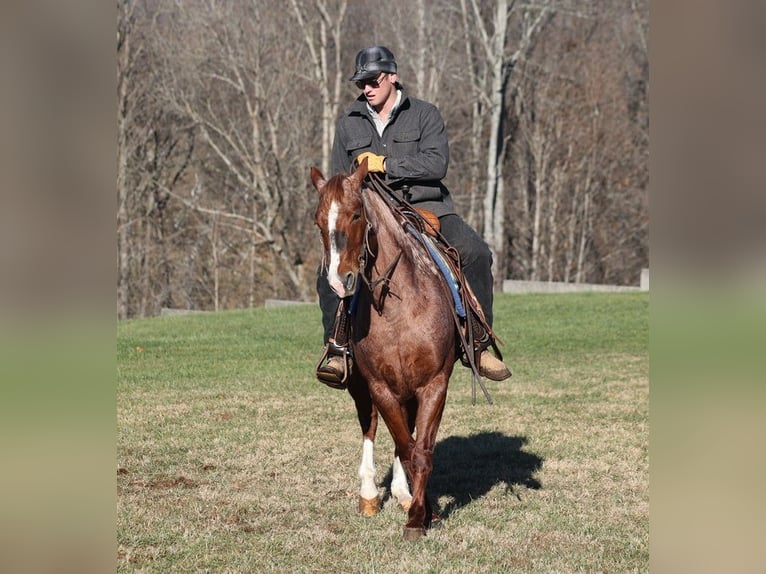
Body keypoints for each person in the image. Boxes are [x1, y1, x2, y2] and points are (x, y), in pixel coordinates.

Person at [315, 45, 511, 388]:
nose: (367, 88)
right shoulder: (348, 124)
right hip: (371, 213)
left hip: (425, 207)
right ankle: (337, 349)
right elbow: (339, 179)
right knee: (328, 270)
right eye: (362, 83)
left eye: (374, 80)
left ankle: (479, 345)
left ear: (392, 76)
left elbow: (437, 164)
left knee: (477, 253)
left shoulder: (425, 114)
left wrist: (386, 164)